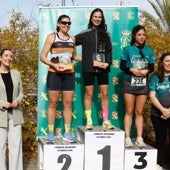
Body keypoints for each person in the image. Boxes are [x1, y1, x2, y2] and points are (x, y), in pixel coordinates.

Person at [40, 14, 81, 143]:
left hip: (69, 74)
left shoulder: (72, 39)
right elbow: (43, 56)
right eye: (64, 23)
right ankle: (50, 133)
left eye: (69, 23)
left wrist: (92, 59)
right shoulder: (52, 37)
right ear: (58, 24)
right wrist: (54, 65)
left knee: (68, 104)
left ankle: (67, 133)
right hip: (54, 74)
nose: (66, 25)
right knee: (53, 104)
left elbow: (75, 57)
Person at [75, 8, 114, 130]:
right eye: (95, 17)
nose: (97, 19)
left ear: (102, 19)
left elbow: (109, 51)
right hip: (88, 69)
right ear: (91, 18)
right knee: (89, 94)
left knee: (105, 94)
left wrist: (107, 63)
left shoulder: (106, 34)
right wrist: (83, 58)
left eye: (100, 17)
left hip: (103, 69)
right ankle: (89, 120)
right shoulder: (84, 33)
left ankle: (106, 120)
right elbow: (70, 43)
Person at [120, 25, 156, 148]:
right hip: (130, 82)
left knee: (139, 112)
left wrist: (147, 71)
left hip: (143, 83)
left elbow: (152, 66)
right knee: (129, 111)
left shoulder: (149, 50)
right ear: (134, 36)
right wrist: (132, 70)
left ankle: (139, 138)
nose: (142, 37)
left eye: (144, 35)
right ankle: (127, 138)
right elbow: (122, 66)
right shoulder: (127, 49)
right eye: (139, 34)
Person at [0, 48, 24, 170]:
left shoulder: (16, 73)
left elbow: (21, 92)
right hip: (1, 115)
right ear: (0, 57)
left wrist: (17, 101)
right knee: (0, 148)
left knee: (16, 147)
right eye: (6, 55)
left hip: (15, 115)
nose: (9, 58)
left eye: (11, 56)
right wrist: (1, 103)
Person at [149, 52, 170, 170]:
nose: (169, 63)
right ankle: (158, 164)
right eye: (167, 61)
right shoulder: (155, 77)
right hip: (157, 114)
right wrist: (163, 110)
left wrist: (169, 111)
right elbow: (152, 96)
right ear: (162, 63)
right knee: (160, 139)